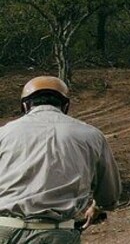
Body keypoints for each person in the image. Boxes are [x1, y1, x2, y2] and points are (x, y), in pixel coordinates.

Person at [0, 76, 122, 243]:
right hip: (56, 235)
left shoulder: (3, 133)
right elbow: (109, 195)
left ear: (25, 105)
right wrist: (98, 207)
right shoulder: (91, 135)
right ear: (65, 106)